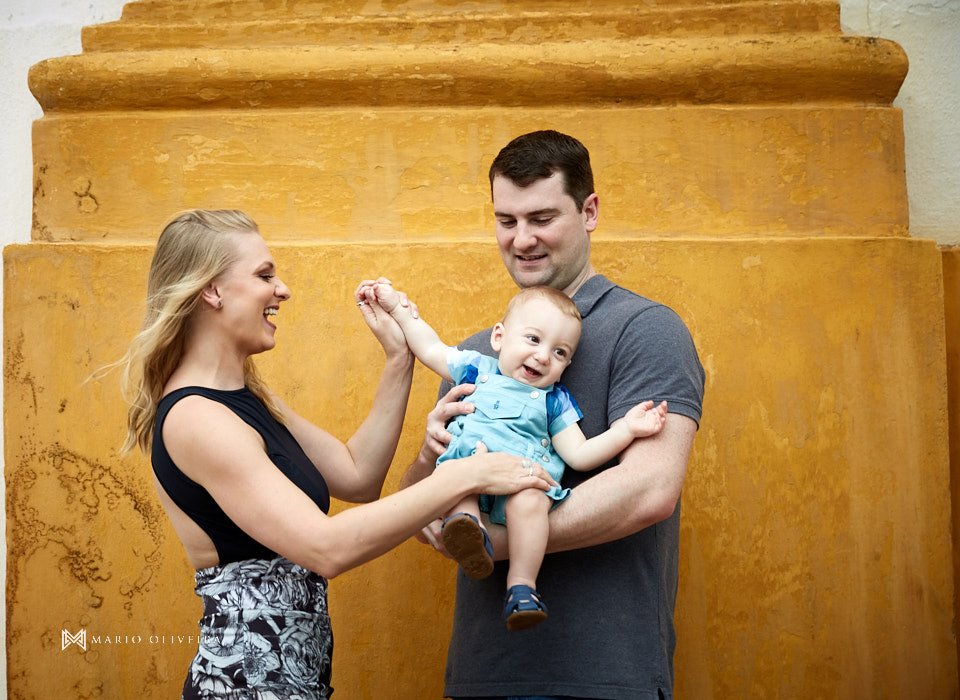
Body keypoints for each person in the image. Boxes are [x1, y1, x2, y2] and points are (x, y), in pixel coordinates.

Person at [116, 209, 557, 699]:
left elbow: (357, 475)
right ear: (212, 292)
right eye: (264, 275)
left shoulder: (248, 401)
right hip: (244, 686)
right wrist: (467, 476)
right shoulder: (197, 418)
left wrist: (398, 359)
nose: (281, 290)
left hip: (291, 684)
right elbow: (325, 548)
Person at [401, 131, 705, 699]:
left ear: (589, 211)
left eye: (541, 218)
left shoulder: (646, 330)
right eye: (506, 221)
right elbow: (420, 517)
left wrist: (492, 540)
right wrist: (427, 456)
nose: (522, 240)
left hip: (599, 675)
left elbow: (649, 490)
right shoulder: (479, 353)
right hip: (481, 673)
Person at [357, 281, 667, 631]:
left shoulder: (555, 400)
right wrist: (398, 310)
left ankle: (522, 588)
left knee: (533, 500)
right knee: (459, 479)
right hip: (468, 468)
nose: (543, 356)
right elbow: (429, 347)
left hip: (520, 479)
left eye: (560, 352)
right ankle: (468, 529)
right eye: (534, 339)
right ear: (499, 338)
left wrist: (626, 429)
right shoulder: (476, 369)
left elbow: (580, 454)